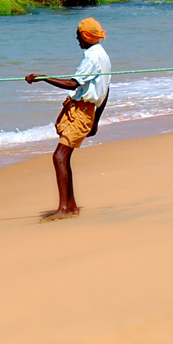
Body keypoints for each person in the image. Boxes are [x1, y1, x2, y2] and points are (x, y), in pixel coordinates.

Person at [26, 17, 111, 218]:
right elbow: (106, 90)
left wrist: (42, 78)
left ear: (86, 36)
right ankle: (70, 206)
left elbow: (74, 84)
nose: (76, 38)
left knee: (59, 157)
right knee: (64, 158)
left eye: (78, 35)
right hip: (81, 109)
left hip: (82, 110)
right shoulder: (100, 55)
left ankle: (64, 209)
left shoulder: (93, 58)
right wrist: (97, 120)